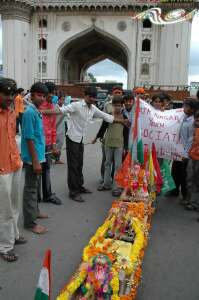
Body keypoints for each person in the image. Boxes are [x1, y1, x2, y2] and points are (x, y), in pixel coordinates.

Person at [41, 86, 129, 202]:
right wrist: (43, 112)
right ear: (85, 95)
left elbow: (106, 116)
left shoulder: (93, 108)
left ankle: (79, 186)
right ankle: (73, 192)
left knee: (79, 164)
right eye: (90, 97)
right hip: (72, 138)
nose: (92, 99)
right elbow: (60, 110)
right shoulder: (76, 105)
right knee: (73, 166)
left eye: (94, 97)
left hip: (81, 139)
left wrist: (122, 121)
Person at [0, 78, 26, 262]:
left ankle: (14, 235)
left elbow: (12, 137)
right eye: (5, 94)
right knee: (5, 210)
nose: (9, 97)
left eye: (12, 94)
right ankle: (5, 246)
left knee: (16, 204)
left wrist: (19, 159)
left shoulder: (11, 111)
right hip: (2, 170)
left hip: (15, 164)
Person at [22, 82, 49, 234]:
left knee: (35, 187)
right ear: (32, 96)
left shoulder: (37, 111)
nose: (41, 98)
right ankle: (30, 223)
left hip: (38, 156)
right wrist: (35, 161)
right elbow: (29, 138)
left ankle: (35, 211)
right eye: (39, 95)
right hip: (33, 158)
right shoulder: (29, 113)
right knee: (30, 189)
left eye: (43, 96)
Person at [167, 98, 199, 203]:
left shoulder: (193, 122)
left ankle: (185, 196)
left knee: (184, 174)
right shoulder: (183, 117)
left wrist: (186, 153)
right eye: (184, 106)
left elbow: (191, 139)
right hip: (178, 149)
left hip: (186, 152)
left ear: (193, 109)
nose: (184, 108)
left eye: (187, 106)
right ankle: (174, 190)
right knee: (175, 171)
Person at [96, 96, 129, 197]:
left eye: (120, 105)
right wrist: (98, 137)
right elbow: (103, 128)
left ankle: (117, 187)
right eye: (116, 105)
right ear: (113, 106)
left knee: (118, 166)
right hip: (108, 144)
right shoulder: (108, 116)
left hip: (119, 145)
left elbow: (126, 133)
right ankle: (106, 184)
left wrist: (126, 146)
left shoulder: (124, 118)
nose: (118, 107)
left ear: (122, 106)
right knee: (107, 163)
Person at [39, 82, 62, 205]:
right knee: (36, 171)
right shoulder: (37, 106)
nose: (51, 96)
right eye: (50, 93)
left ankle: (48, 194)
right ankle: (36, 197)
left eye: (53, 93)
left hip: (48, 144)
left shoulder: (52, 106)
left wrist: (53, 145)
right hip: (38, 145)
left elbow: (53, 128)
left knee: (46, 169)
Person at [186, 110, 199, 214]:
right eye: (196, 119)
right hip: (192, 157)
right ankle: (191, 201)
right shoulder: (193, 128)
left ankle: (196, 203)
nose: (197, 121)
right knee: (190, 179)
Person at [54, 94, 66, 164]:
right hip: (55, 127)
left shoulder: (65, 107)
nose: (62, 101)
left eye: (64, 99)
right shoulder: (55, 107)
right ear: (58, 100)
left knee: (60, 143)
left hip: (62, 128)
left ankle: (57, 159)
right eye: (61, 99)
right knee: (53, 143)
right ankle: (52, 157)